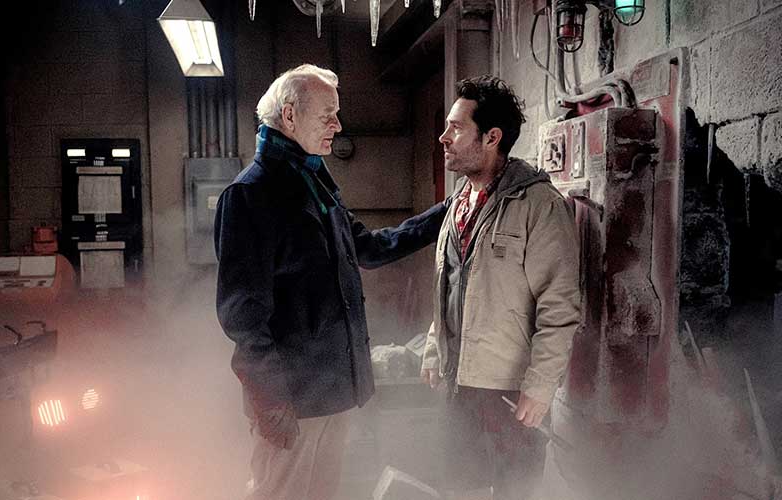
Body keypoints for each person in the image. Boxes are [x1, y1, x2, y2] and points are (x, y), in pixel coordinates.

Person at [214, 64, 449, 500]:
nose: (338, 126)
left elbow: (369, 248)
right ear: (289, 116)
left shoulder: (315, 182)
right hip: (292, 402)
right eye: (327, 115)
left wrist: (446, 213)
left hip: (331, 394)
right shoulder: (251, 195)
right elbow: (243, 319)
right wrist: (271, 402)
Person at [420, 76, 581, 500]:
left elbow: (560, 308)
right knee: (460, 491)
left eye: (456, 127)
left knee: (514, 492)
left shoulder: (540, 205)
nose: (444, 137)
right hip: (459, 384)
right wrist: (435, 347)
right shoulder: (460, 202)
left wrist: (540, 387)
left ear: (491, 138)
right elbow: (450, 283)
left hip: (510, 393)